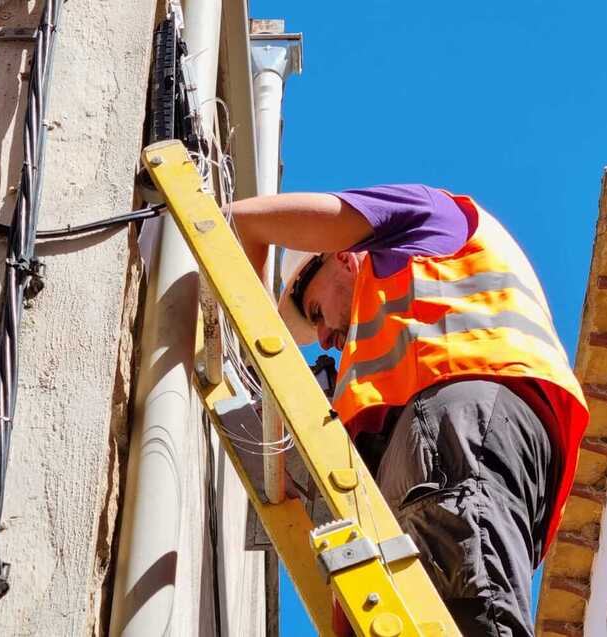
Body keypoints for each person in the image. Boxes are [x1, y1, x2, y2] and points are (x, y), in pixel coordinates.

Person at [231, 185, 588, 637]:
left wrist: (257, 348)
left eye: (316, 310)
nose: (322, 337)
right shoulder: (390, 345)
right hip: (471, 437)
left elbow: (247, 220)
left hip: (459, 422)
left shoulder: (429, 216)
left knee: (470, 608)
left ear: (341, 256)